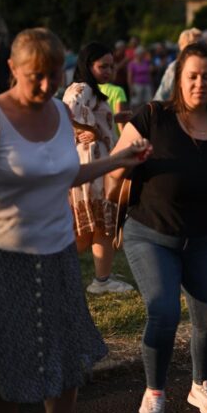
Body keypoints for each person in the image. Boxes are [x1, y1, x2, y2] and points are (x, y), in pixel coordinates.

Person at [0, 27, 151, 413]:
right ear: (11, 67)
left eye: (54, 74)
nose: (45, 85)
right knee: (3, 363)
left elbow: (68, 173)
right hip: (4, 259)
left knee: (66, 359)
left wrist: (120, 160)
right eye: (34, 75)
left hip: (57, 256)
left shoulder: (60, 111)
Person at [109, 42, 207, 413]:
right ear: (178, 78)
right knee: (163, 310)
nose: (199, 84)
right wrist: (128, 161)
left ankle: (202, 384)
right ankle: (154, 392)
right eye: (192, 76)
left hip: (205, 238)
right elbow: (112, 180)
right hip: (151, 234)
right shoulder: (152, 117)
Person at [63, 42, 133, 293]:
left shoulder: (92, 92)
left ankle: (98, 280)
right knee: (96, 226)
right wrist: (87, 131)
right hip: (89, 166)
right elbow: (65, 112)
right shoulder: (80, 89)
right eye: (102, 66)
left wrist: (117, 119)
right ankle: (97, 280)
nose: (108, 71)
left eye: (111, 66)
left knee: (91, 229)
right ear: (87, 65)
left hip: (97, 164)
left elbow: (88, 118)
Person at [154, 28, 203, 102]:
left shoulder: (206, 64)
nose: (202, 47)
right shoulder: (175, 66)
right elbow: (161, 96)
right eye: (198, 44)